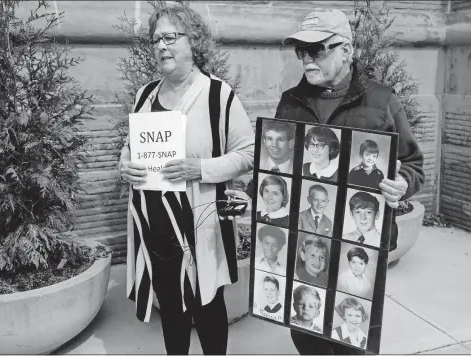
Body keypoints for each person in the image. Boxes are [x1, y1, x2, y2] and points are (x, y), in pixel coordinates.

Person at [277, 8, 425, 354]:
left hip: (360, 247)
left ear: (346, 50)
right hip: (308, 241)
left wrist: (402, 182)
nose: (307, 60)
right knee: (305, 330)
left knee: (352, 337)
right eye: (302, 51)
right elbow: (281, 168)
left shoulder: (381, 100)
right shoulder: (290, 102)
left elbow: (414, 164)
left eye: (317, 50)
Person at [117, 5, 254, 355]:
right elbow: (131, 147)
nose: (161, 46)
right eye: (155, 39)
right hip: (157, 229)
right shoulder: (145, 95)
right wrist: (125, 165)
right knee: (172, 311)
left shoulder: (217, 96)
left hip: (201, 224)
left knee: (207, 307)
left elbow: (249, 154)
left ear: (193, 42)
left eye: (170, 37)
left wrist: (201, 169)